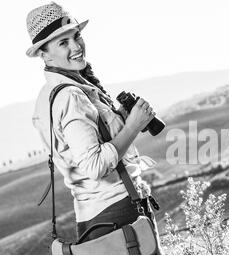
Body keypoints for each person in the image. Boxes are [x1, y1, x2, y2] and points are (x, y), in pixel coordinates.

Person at [27, 2, 158, 241]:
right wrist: (133, 126)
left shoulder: (50, 95)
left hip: (100, 216)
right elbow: (94, 166)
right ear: (44, 54)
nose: (76, 47)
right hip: (119, 214)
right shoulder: (71, 96)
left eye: (76, 36)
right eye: (63, 42)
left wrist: (122, 122)